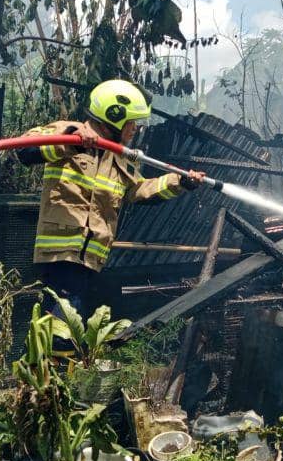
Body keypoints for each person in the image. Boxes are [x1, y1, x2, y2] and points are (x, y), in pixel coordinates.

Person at [18, 79, 206, 317]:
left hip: (92, 260)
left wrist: (181, 181)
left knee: (77, 327)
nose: (135, 128)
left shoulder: (118, 158)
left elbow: (139, 190)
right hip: (61, 255)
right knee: (60, 328)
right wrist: (72, 139)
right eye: (132, 122)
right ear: (114, 116)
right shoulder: (67, 131)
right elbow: (25, 149)